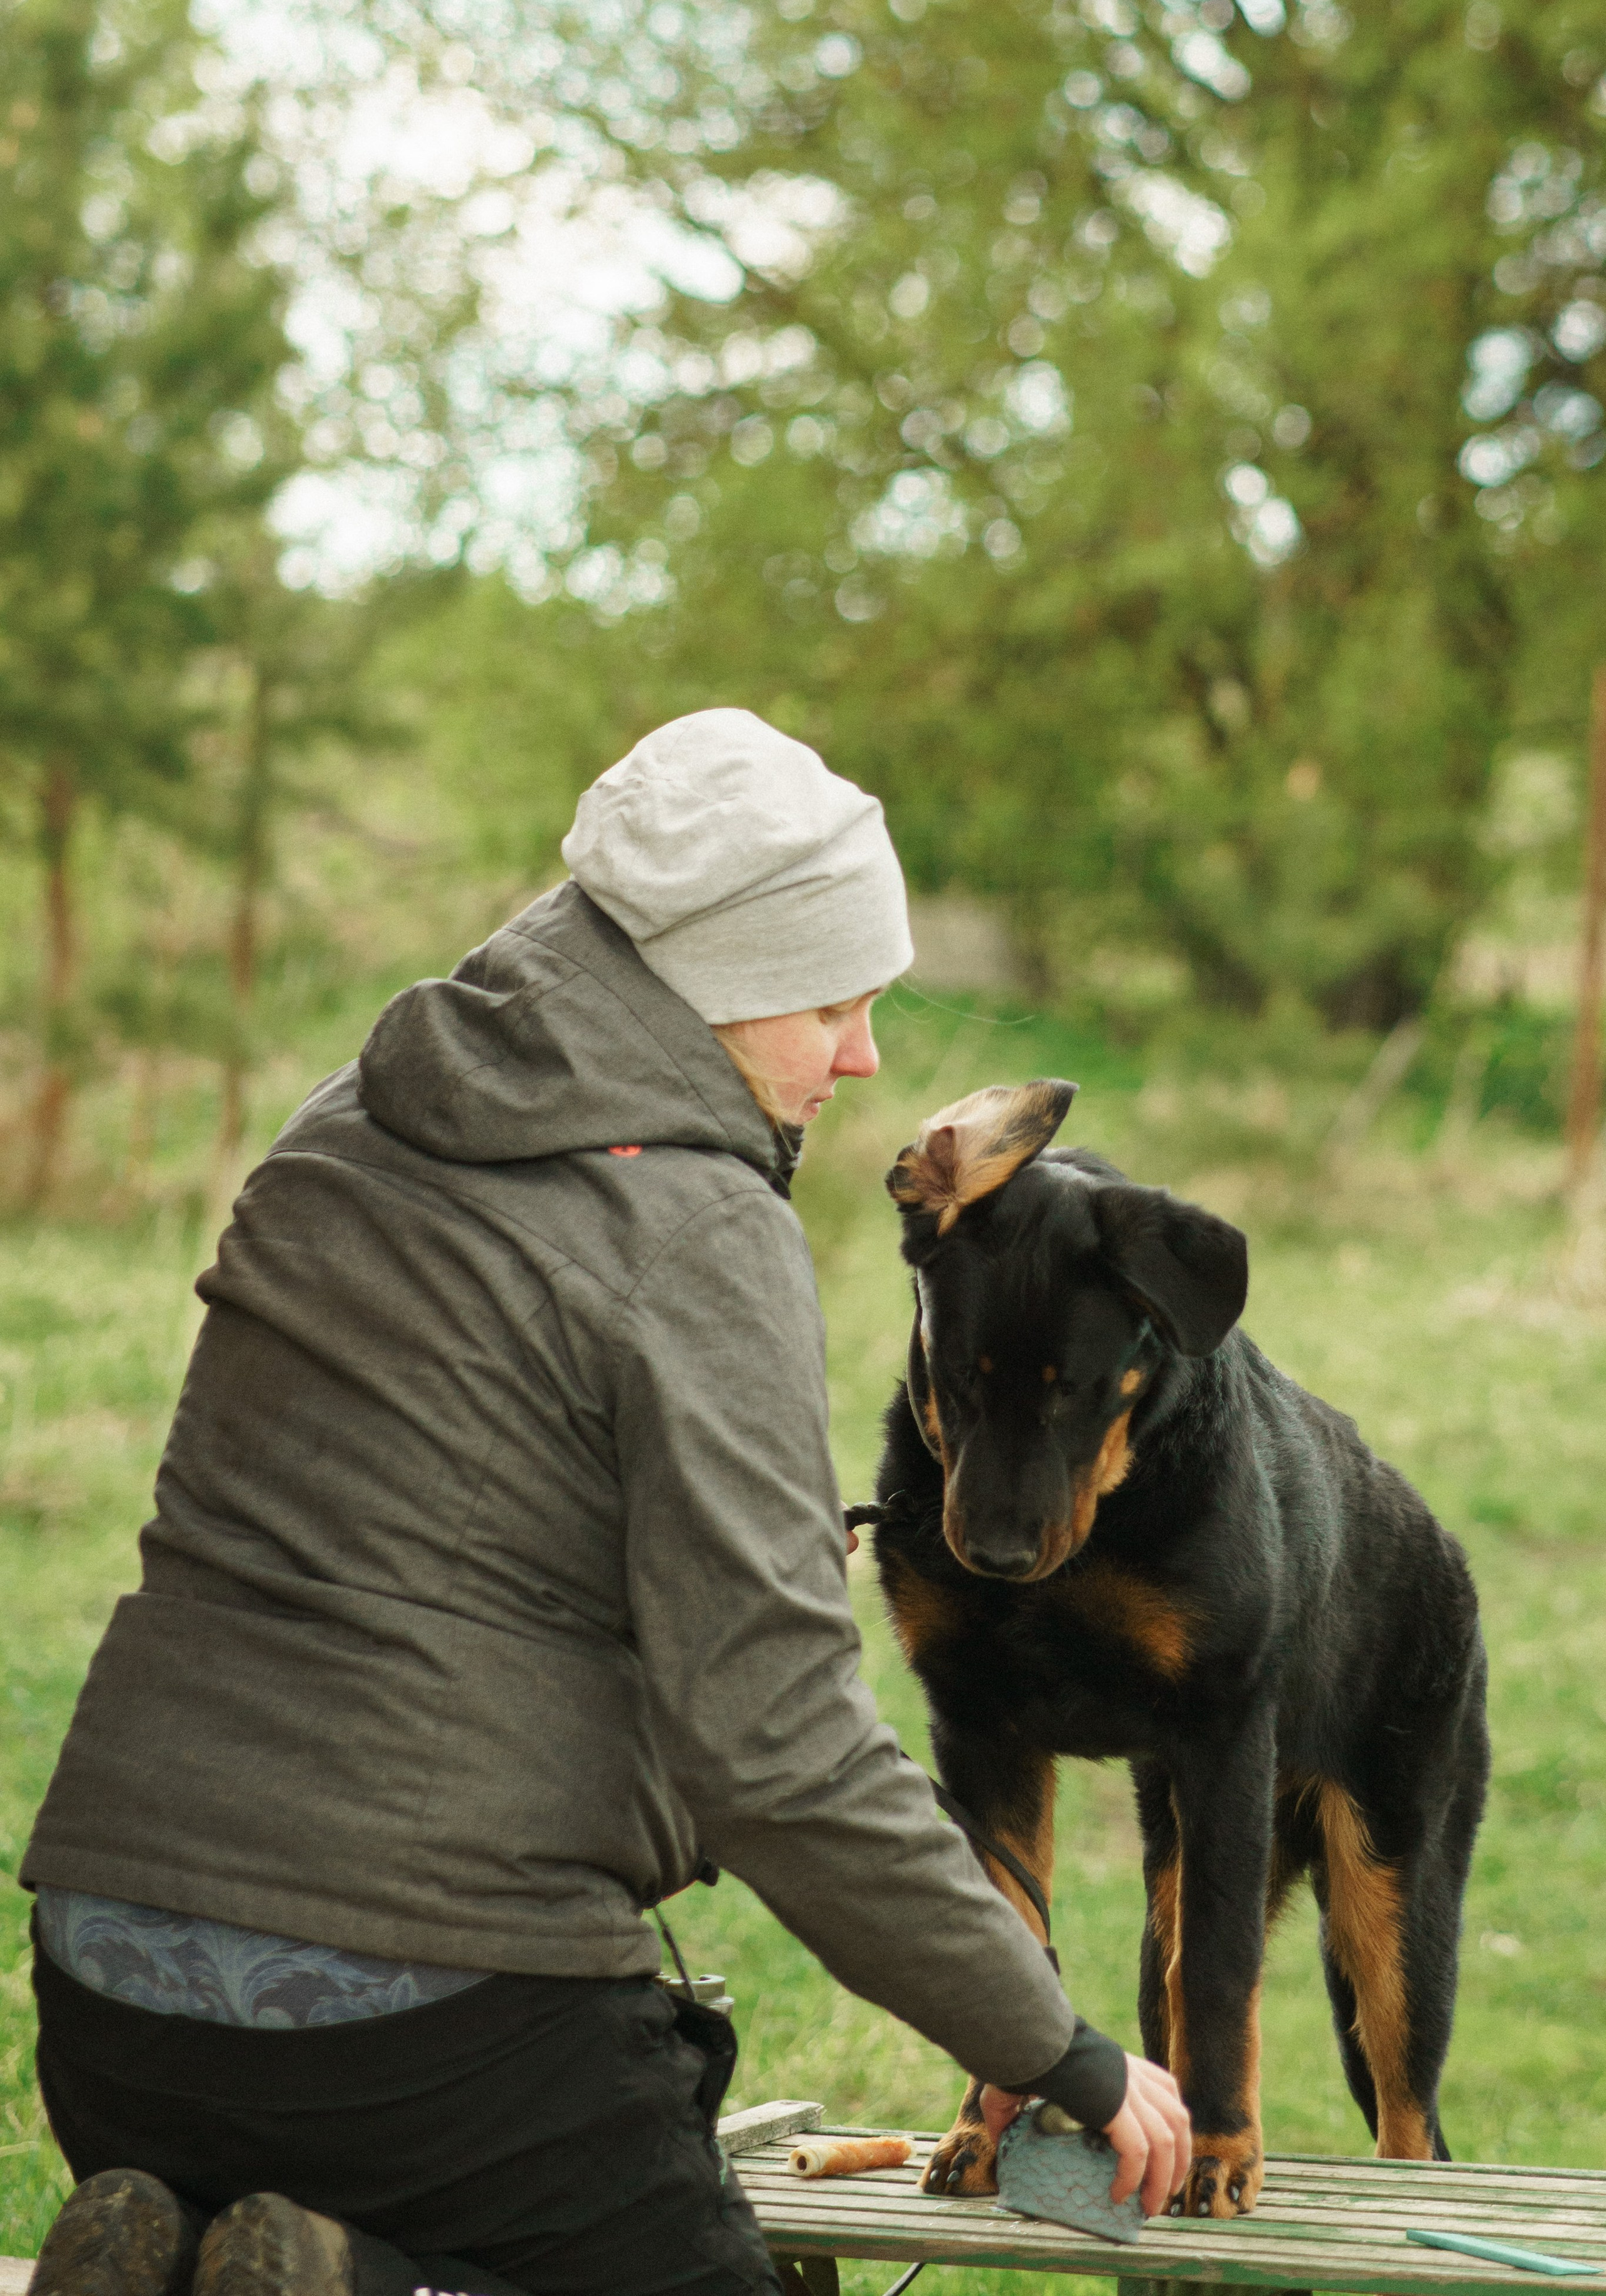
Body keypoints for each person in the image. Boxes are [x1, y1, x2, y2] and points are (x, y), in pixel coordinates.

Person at [21, 710, 1189, 2296]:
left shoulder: (339, 1128)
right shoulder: (696, 1229)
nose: (861, 1056)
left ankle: (226, 2260)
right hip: (425, 2030)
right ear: (707, 986)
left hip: (109, 2000)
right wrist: (1058, 2048)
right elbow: (776, 1747)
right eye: (830, 1002)